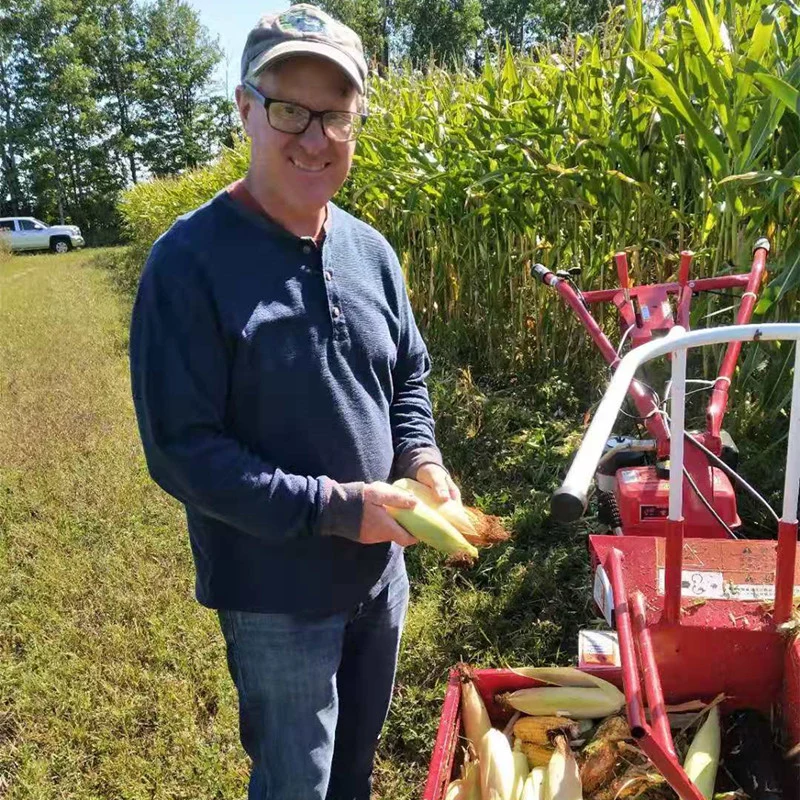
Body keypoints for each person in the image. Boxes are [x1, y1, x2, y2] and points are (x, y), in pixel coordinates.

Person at [129, 4, 459, 798]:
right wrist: (338, 509)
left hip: (380, 580)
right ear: (245, 108)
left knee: (353, 767)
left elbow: (406, 374)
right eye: (289, 110)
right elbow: (182, 450)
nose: (314, 138)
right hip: (275, 596)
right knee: (295, 780)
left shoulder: (369, 250)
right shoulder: (189, 264)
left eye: (335, 116)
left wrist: (422, 456)